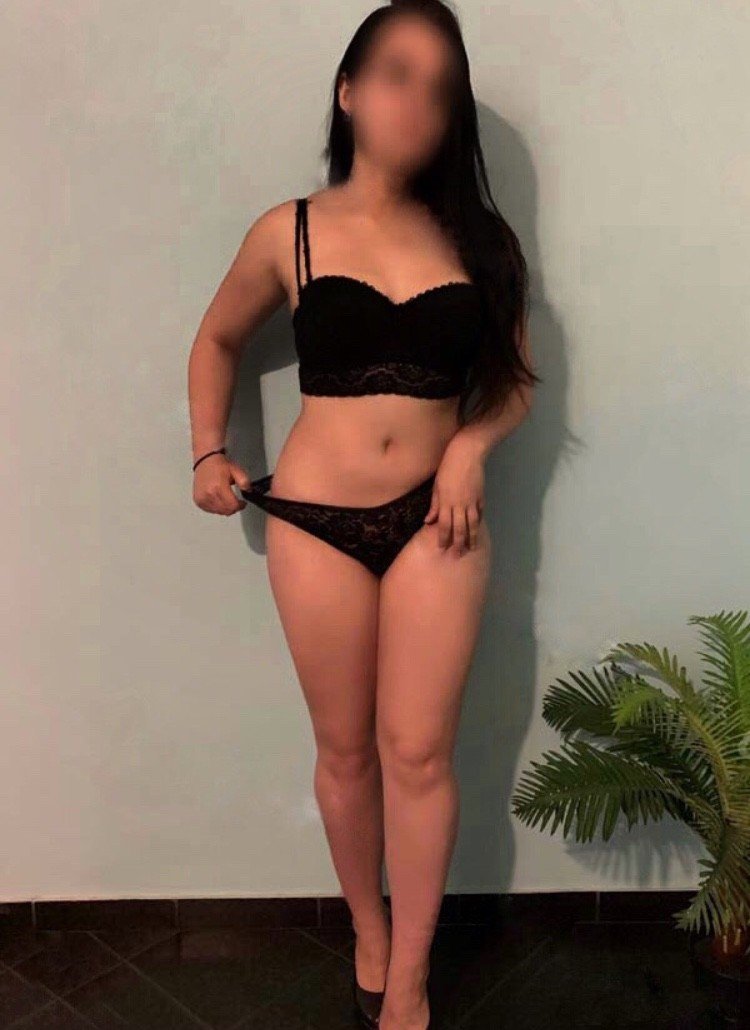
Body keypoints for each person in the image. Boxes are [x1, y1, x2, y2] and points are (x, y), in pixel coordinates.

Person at [187, 2, 539, 1027]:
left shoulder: (480, 241)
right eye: (395, 73)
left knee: (418, 754)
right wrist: (209, 449)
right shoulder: (288, 230)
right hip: (314, 526)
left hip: (438, 526)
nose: (416, 101)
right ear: (348, 91)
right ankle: (368, 928)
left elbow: (515, 383)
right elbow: (216, 340)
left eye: (440, 87)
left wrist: (469, 446)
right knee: (344, 751)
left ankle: (411, 976)